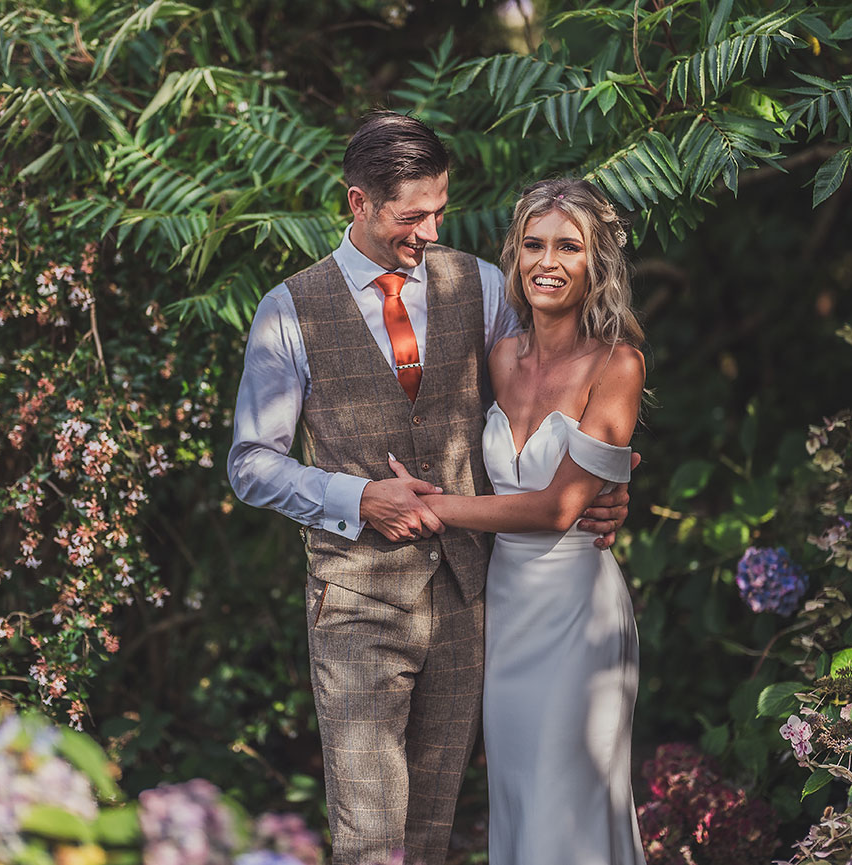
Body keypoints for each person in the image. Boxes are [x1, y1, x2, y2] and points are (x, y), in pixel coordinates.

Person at [228, 113, 631, 865]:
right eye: (412, 216)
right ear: (358, 202)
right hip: (355, 603)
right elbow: (251, 463)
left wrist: (601, 483)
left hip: (468, 599)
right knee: (368, 832)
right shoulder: (288, 311)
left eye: (440, 209)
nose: (430, 229)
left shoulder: (478, 285)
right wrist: (356, 498)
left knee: (431, 829)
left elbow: (544, 406)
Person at [389, 177, 647, 864]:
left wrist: (431, 506)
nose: (548, 261)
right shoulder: (499, 357)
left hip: (576, 612)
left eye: (569, 246)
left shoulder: (618, 362)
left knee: (571, 797)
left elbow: (560, 505)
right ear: (515, 254)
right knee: (519, 793)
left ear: (596, 263)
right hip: (503, 610)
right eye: (533, 244)